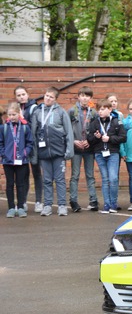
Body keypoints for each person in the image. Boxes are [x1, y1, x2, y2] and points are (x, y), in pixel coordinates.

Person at [31, 87, 74, 217]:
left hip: (58, 152)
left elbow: (69, 133)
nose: (47, 98)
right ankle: (47, 205)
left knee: (60, 180)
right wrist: (34, 154)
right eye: (46, 95)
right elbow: (33, 134)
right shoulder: (38, 112)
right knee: (47, 180)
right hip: (44, 153)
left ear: (55, 99)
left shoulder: (61, 112)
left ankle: (62, 205)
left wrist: (69, 151)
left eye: (51, 97)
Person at [87, 98, 126, 213]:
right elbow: (89, 139)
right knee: (105, 179)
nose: (100, 111)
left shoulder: (116, 121)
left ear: (109, 109)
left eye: (103, 109)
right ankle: (107, 204)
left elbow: (123, 137)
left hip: (113, 153)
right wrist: (96, 137)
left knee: (113, 178)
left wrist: (110, 138)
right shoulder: (94, 122)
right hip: (100, 153)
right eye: (99, 109)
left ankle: (113, 203)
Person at [67, 86, 99, 212]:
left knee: (90, 175)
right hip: (76, 148)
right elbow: (67, 129)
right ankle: (73, 201)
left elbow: (96, 129)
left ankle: (93, 200)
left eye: (87, 96)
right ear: (78, 96)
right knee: (75, 175)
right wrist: (74, 141)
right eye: (82, 95)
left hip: (88, 148)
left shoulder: (94, 112)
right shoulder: (71, 111)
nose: (85, 98)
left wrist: (89, 141)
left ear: (90, 98)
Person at [0, 102, 34, 218]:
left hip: (22, 161)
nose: (12, 117)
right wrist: (4, 154)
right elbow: (1, 143)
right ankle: (10, 208)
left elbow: (30, 143)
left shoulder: (25, 128)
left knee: (20, 184)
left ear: (19, 113)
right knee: (9, 184)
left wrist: (25, 153)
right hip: (8, 161)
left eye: (14, 114)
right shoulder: (3, 128)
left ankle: (20, 207)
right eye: (9, 115)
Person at [15, 86, 43, 213]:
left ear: (27, 94)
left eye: (23, 94)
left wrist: (23, 119)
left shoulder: (34, 107)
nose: (21, 97)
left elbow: (35, 126)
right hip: (21, 146)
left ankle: (38, 202)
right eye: (18, 95)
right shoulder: (15, 108)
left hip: (33, 145)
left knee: (36, 173)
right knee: (23, 175)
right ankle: (23, 202)